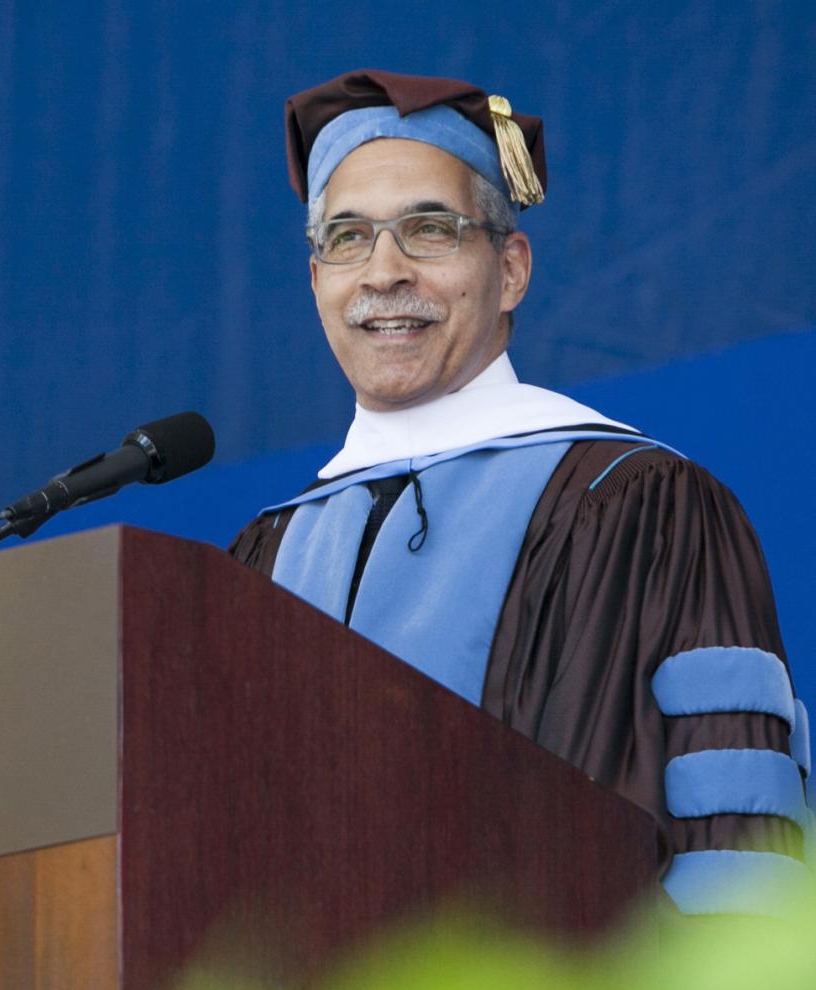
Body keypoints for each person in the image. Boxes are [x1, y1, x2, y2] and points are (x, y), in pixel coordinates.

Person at [231, 69, 811, 914]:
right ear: (315, 278)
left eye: (428, 229)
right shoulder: (262, 560)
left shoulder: (643, 505)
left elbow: (741, 853)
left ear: (509, 269)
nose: (383, 272)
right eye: (347, 238)